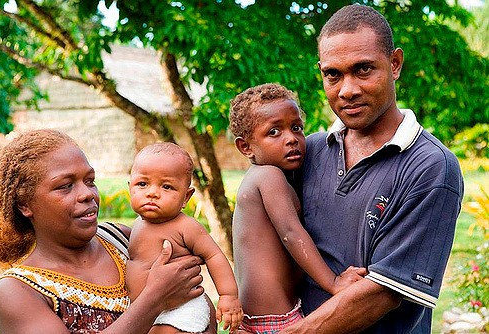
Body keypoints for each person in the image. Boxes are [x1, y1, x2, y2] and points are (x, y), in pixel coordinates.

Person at [280, 4, 464, 333]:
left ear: (394, 64)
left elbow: (382, 293)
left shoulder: (430, 166)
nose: (347, 90)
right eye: (333, 74)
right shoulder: (309, 151)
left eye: (363, 69)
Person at [0, 129, 214, 334]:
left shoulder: (124, 240)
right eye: (65, 185)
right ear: (25, 205)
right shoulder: (15, 291)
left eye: (90, 180)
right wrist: (155, 298)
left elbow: (197, 306)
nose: (87, 194)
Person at [229, 83, 366, 333]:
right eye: (274, 132)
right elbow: (292, 233)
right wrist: (333, 283)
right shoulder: (268, 176)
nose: (291, 139)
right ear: (246, 147)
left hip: (259, 318)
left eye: (296, 128)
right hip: (275, 322)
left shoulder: (274, 177)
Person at [126, 142, 243, 333]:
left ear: (186, 197)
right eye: (142, 184)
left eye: (166, 187)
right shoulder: (138, 224)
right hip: (148, 310)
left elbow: (214, 256)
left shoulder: (185, 226)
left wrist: (228, 295)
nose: (152, 193)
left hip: (181, 309)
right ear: (130, 187)